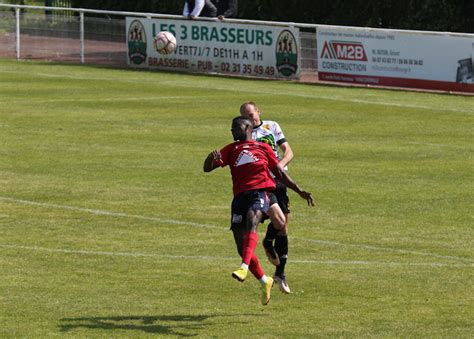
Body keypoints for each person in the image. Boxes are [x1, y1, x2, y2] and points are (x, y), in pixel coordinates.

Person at [203, 116, 314, 305]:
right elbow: (207, 169)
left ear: (247, 128)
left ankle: (244, 266)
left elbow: (280, 172)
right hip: (239, 197)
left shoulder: (263, 148)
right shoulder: (231, 149)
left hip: (260, 192)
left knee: (253, 221)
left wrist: (299, 190)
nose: (231, 131)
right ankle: (265, 281)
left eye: (235, 128)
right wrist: (210, 159)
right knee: (241, 244)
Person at [240, 101, 295, 294]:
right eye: (246, 116)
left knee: (283, 225)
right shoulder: (245, 135)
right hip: (263, 183)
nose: (250, 118)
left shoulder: (272, 126)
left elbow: (288, 151)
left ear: (258, 112)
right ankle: (268, 250)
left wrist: (280, 164)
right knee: (275, 219)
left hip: (280, 180)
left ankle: (280, 273)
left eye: (252, 114)